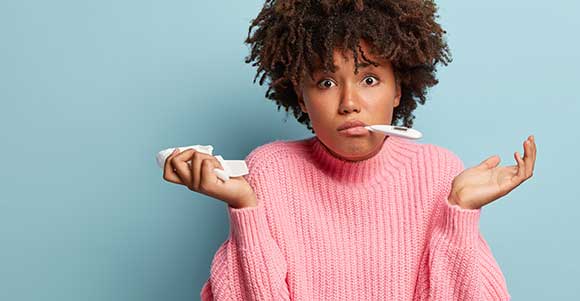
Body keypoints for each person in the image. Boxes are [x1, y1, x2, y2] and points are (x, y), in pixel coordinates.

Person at [162, 0, 536, 299]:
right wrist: (245, 208)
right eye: (325, 82)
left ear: (398, 89)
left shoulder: (440, 173)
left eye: (369, 79)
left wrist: (460, 217)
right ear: (302, 97)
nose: (349, 102)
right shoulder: (268, 171)